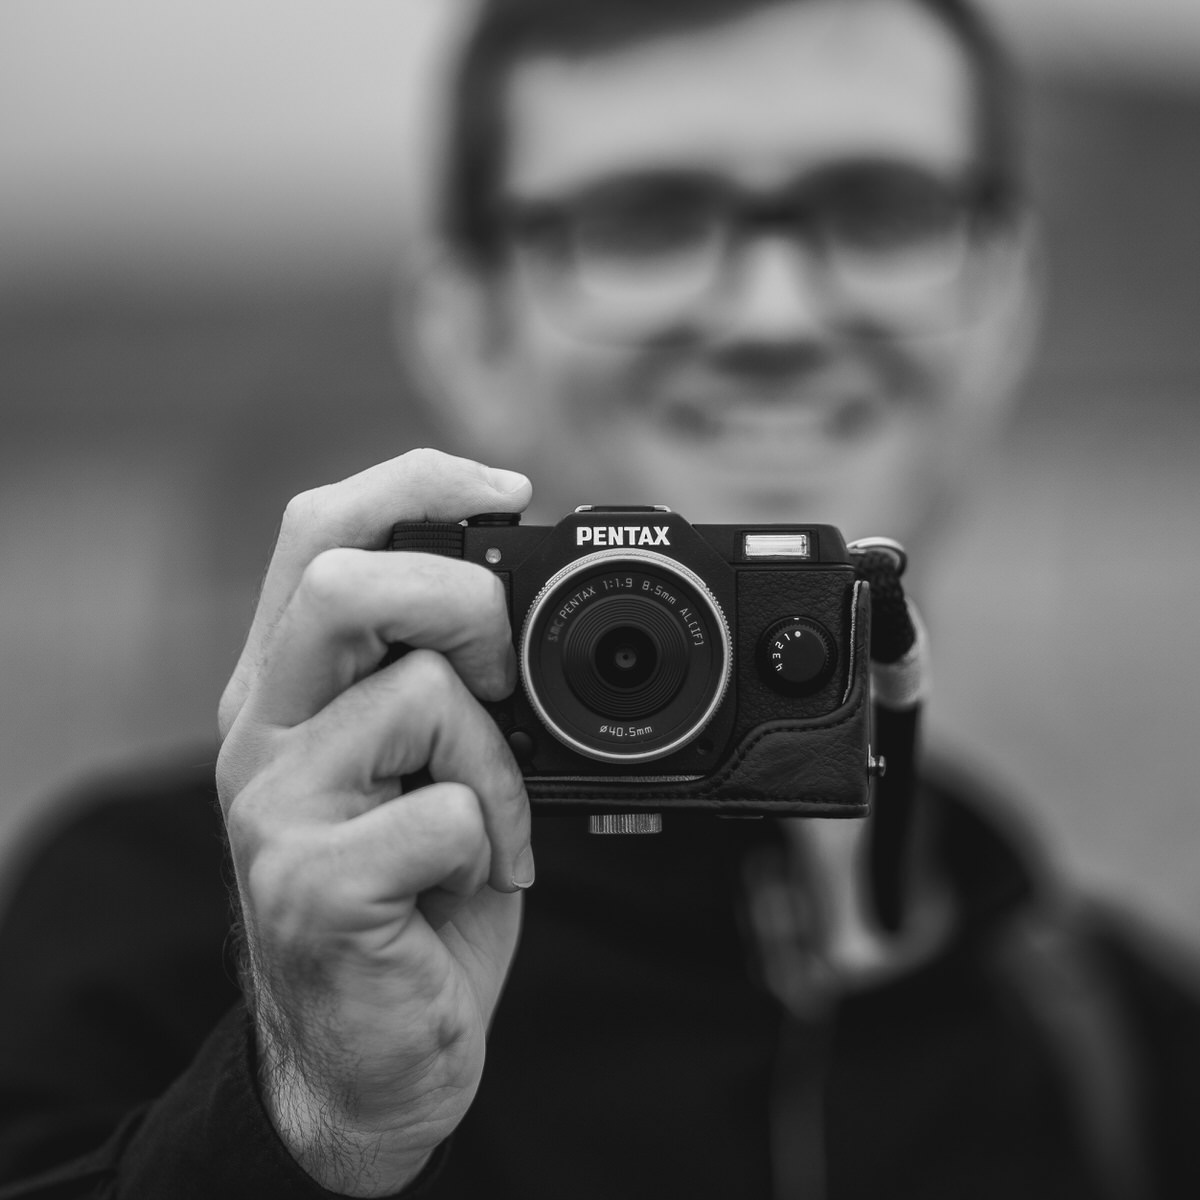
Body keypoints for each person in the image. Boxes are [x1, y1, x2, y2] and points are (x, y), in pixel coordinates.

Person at [1, 0, 1197, 1196]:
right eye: (646, 221)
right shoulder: (145, 943)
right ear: (465, 329)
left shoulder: (1125, 1054)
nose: (774, 316)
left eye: (881, 212)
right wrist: (302, 1120)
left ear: (1008, 299)